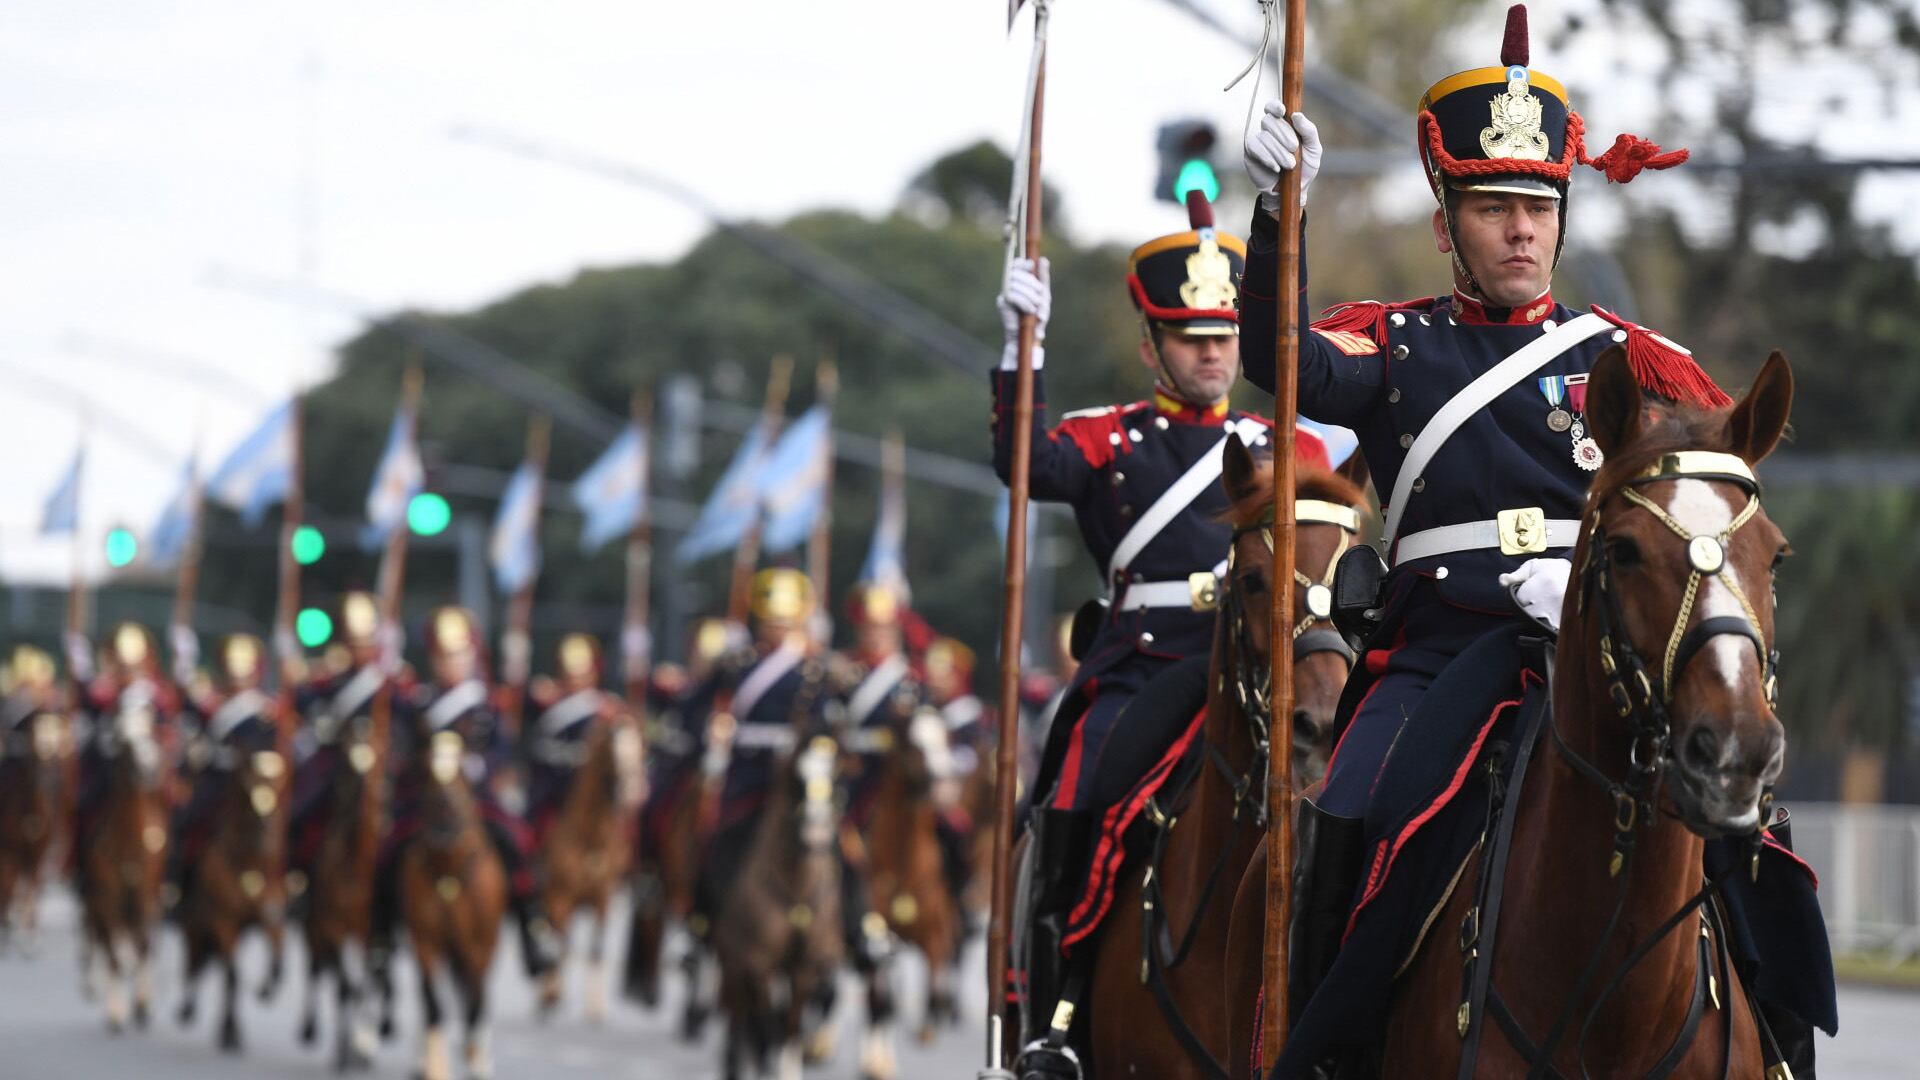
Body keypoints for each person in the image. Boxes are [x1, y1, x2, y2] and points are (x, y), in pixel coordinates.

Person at [1238, 5, 1827, 1072]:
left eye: (1540, 207)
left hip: (1603, 653)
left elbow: (1715, 476)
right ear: (1446, 222)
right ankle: (1330, 1052)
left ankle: (1781, 1045)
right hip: (1434, 660)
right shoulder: (1391, 346)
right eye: (1496, 205)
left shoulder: (1636, 360)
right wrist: (1279, 220)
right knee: (1356, 809)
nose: (1521, 229)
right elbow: (1280, 366)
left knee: (1752, 821)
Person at [368, 606, 559, 981]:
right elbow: (402, 749)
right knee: (388, 851)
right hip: (426, 801)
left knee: (516, 841)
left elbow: (503, 750)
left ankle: (534, 928)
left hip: (475, 800)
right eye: (444, 657)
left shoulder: (486, 704)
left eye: (458, 656)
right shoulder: (419, 702)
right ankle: (381, 938)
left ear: (470, 657)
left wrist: (478, 767)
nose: (451, 664)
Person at [170, 634, 282, 905]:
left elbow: (274, 746)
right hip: (217, 777)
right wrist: (183, 666)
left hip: (252, 783)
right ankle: (177, 884)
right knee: (184, 820)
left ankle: (278, 887)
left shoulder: (264, 710)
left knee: (275, 826)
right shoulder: (212, 704)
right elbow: (185, 707)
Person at [522, 632, 627, 845]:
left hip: (592, 789)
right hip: (552, 788)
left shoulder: (605, 708)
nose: (575, 680)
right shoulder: (546, 703)